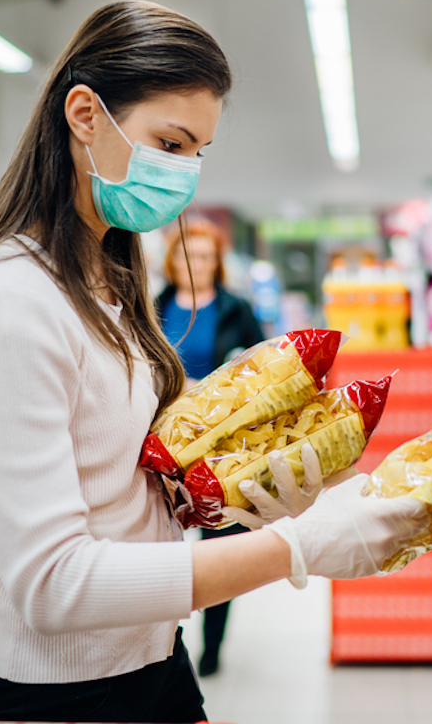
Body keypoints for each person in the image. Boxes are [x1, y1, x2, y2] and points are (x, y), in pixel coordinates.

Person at [0, 0, 426, 724]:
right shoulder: (10, 305)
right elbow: (54, 585)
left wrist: (256, 482)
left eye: (197, 153)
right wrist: (296, 547)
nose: (185, 175)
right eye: (170, 142)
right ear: (84, 115)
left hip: (151, 666)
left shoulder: (103, 278)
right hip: (50, 699)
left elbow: (120, 476)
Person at [155, 220, 263, 677]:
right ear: (172, 261)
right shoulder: (151, 305)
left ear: (216, 263)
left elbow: (263, 369)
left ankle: (212, 646)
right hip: (163, 445)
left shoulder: (237, 309)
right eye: (186, 255)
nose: (195, 264)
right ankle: (165, 638)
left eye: (204, 256)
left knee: (219, 544)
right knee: (163, 544)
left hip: (221, 447)